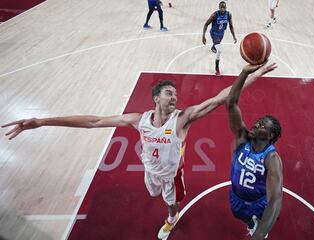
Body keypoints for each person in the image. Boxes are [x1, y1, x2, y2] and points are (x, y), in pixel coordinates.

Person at [2, 63, 274, 239]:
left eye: (175, 94)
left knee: (170, 201)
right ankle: (167, 205)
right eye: (169, 93)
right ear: (156, 97)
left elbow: (221, 97)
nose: (174, 97)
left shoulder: (183, 118)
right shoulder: (138, 120)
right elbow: (93, 121)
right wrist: (41, 121)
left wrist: (252, 74)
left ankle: (172, 217)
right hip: (150, 171)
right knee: (152, 191)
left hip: (171, 175)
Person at [226, 62, 283, 239]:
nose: (256, 124)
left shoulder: (271, 158)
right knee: (240, 217)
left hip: (257, 203)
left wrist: (259, 235)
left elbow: (275, 200)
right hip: (236, 197)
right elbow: (230, 103)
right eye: (257, 121)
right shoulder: (242, 137)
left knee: (259, 229)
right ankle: (251, 223)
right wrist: (244, 72)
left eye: (261, 125)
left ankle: (257, 228)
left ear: (270, 134)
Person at [202, 1, 237, 76]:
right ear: (219, 7)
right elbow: (206, 24)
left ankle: (213, 47)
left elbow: (231, 26)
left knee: (216, 45)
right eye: (221, 7)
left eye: (224, 7)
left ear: (226, 8)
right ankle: (217, 69)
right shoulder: (214, 15)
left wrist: (234, 36)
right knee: (220, 50)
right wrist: (203, 36)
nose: (222, 9)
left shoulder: (228, 15)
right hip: (214, 33)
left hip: (221, 33)